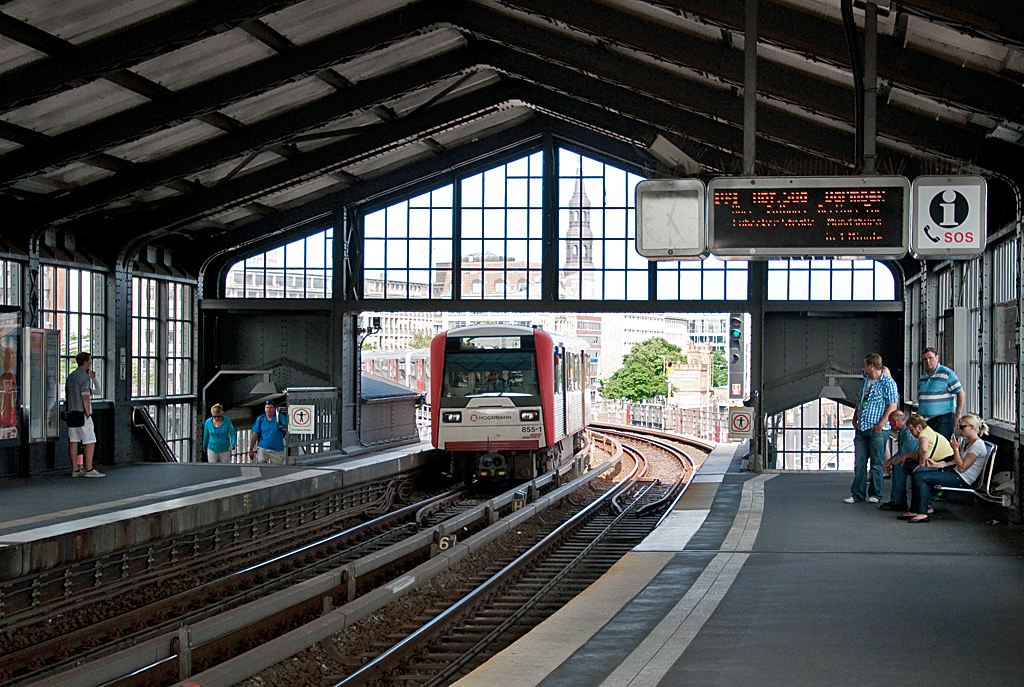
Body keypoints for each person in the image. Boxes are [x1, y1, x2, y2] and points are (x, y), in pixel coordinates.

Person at [901, 414, 989, 523]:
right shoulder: (970, 443)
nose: (959, 430)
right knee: (918, 473)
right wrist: (938, 465)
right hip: (956, 473)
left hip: (962, 479)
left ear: (971, 428)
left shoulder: (977, 446)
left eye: (962, 427)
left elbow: (962, 467)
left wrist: (955, 449)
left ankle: (922, 512)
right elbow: (956, 461)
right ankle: (915, 509)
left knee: (921, 477)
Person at [845, 353, 898, 504]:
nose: (864, 368)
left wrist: (881, 423)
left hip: (878, 429)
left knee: (876, 463)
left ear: (872, 366)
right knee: (860, 462)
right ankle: (857, 494)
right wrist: (855, 417)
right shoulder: (865, 382)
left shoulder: (888, 383)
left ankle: (875, 494)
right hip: (862, 428)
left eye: (865, 365)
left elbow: (892, 405)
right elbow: (859, 401)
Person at [66, 352, 103, 477]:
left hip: (71, 412)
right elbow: (86, 396)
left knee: (74, 440)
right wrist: (88, 413)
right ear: (86, 361)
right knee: (90, 440)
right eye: (90, 360)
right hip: (82, 413)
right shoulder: (84, 377)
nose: (91, 362)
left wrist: (93, 378)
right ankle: (89, 469)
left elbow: (95, 392)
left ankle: (75, 469)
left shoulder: (71, 376)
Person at [918, 347, 964, 441]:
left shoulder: (946, 373)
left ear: (937, 358)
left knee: (941, 446)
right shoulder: (923, 375)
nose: (928, 361)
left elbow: (960, 393)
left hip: (943, 419)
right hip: (926, 420)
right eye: (925, 359)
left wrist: (957, 415)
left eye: (930, 358)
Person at [878, 410, 919, 511]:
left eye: (890, 422)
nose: (890, 425)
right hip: (918, 457)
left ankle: (898, 501)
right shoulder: (906, 431)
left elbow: (905, 453)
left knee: (899, 465)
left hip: (920, 460)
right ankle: (898, 500)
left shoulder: (908, 432)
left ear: (896, 422)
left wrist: (889, 462)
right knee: (898, 464)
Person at [249, 400, 290, 465]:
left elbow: (288, 426)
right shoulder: (261, 419)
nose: (269, 410)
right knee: (261, 465)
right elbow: (255, 435)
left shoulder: (279, 417)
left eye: (270, 408)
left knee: (278, 467)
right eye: (267, 408)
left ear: (274, 409)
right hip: (263, 447)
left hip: (277, 450)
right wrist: (251, 450)